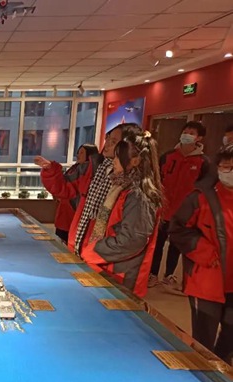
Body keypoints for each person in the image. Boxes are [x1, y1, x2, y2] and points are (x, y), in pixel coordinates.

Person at [38, 122, 144, 255]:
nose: (107, 144)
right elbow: (64, 187)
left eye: (114, 141)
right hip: (85, 244)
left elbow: (130, 239)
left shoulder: (134, 187)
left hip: (104, 254)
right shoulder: (94, 168)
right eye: (107, 138)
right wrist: (50, 170)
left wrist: (95, 249)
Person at [78, 131, 162, 297]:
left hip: (121, 273)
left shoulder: (138, 195)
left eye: (118, 157)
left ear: (135, 161)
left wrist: (95, 250)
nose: (114, 161)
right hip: (109, 266)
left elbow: (131, 240)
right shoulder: (122, 187)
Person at [169, 144, 233, 362]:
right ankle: (202, 376)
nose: (230, 171)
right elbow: (177, 229)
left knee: (229, 341)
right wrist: (204, 251)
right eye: (226, 166)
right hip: (206, 281)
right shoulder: (200, 197)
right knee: (203, 343)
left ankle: (220, 374)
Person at [149, 121, 212, 294]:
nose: (187, 134)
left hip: (185, 213)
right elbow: (157, 179)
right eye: (185, 131)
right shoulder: (168, 156)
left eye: (191, 132)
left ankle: (169, 275)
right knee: (157, 243)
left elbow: (205, 189)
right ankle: (153, 274)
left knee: (176, 246)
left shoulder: (204, 162)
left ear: (199, 138)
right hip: (163, 209)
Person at [53, 144, 99, 244]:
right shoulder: (75, 168)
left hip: (73, 211)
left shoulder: (87, 171)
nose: (78, 155)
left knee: (69, 240)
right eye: (78, 152)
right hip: (65, 211)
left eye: (82, 153)